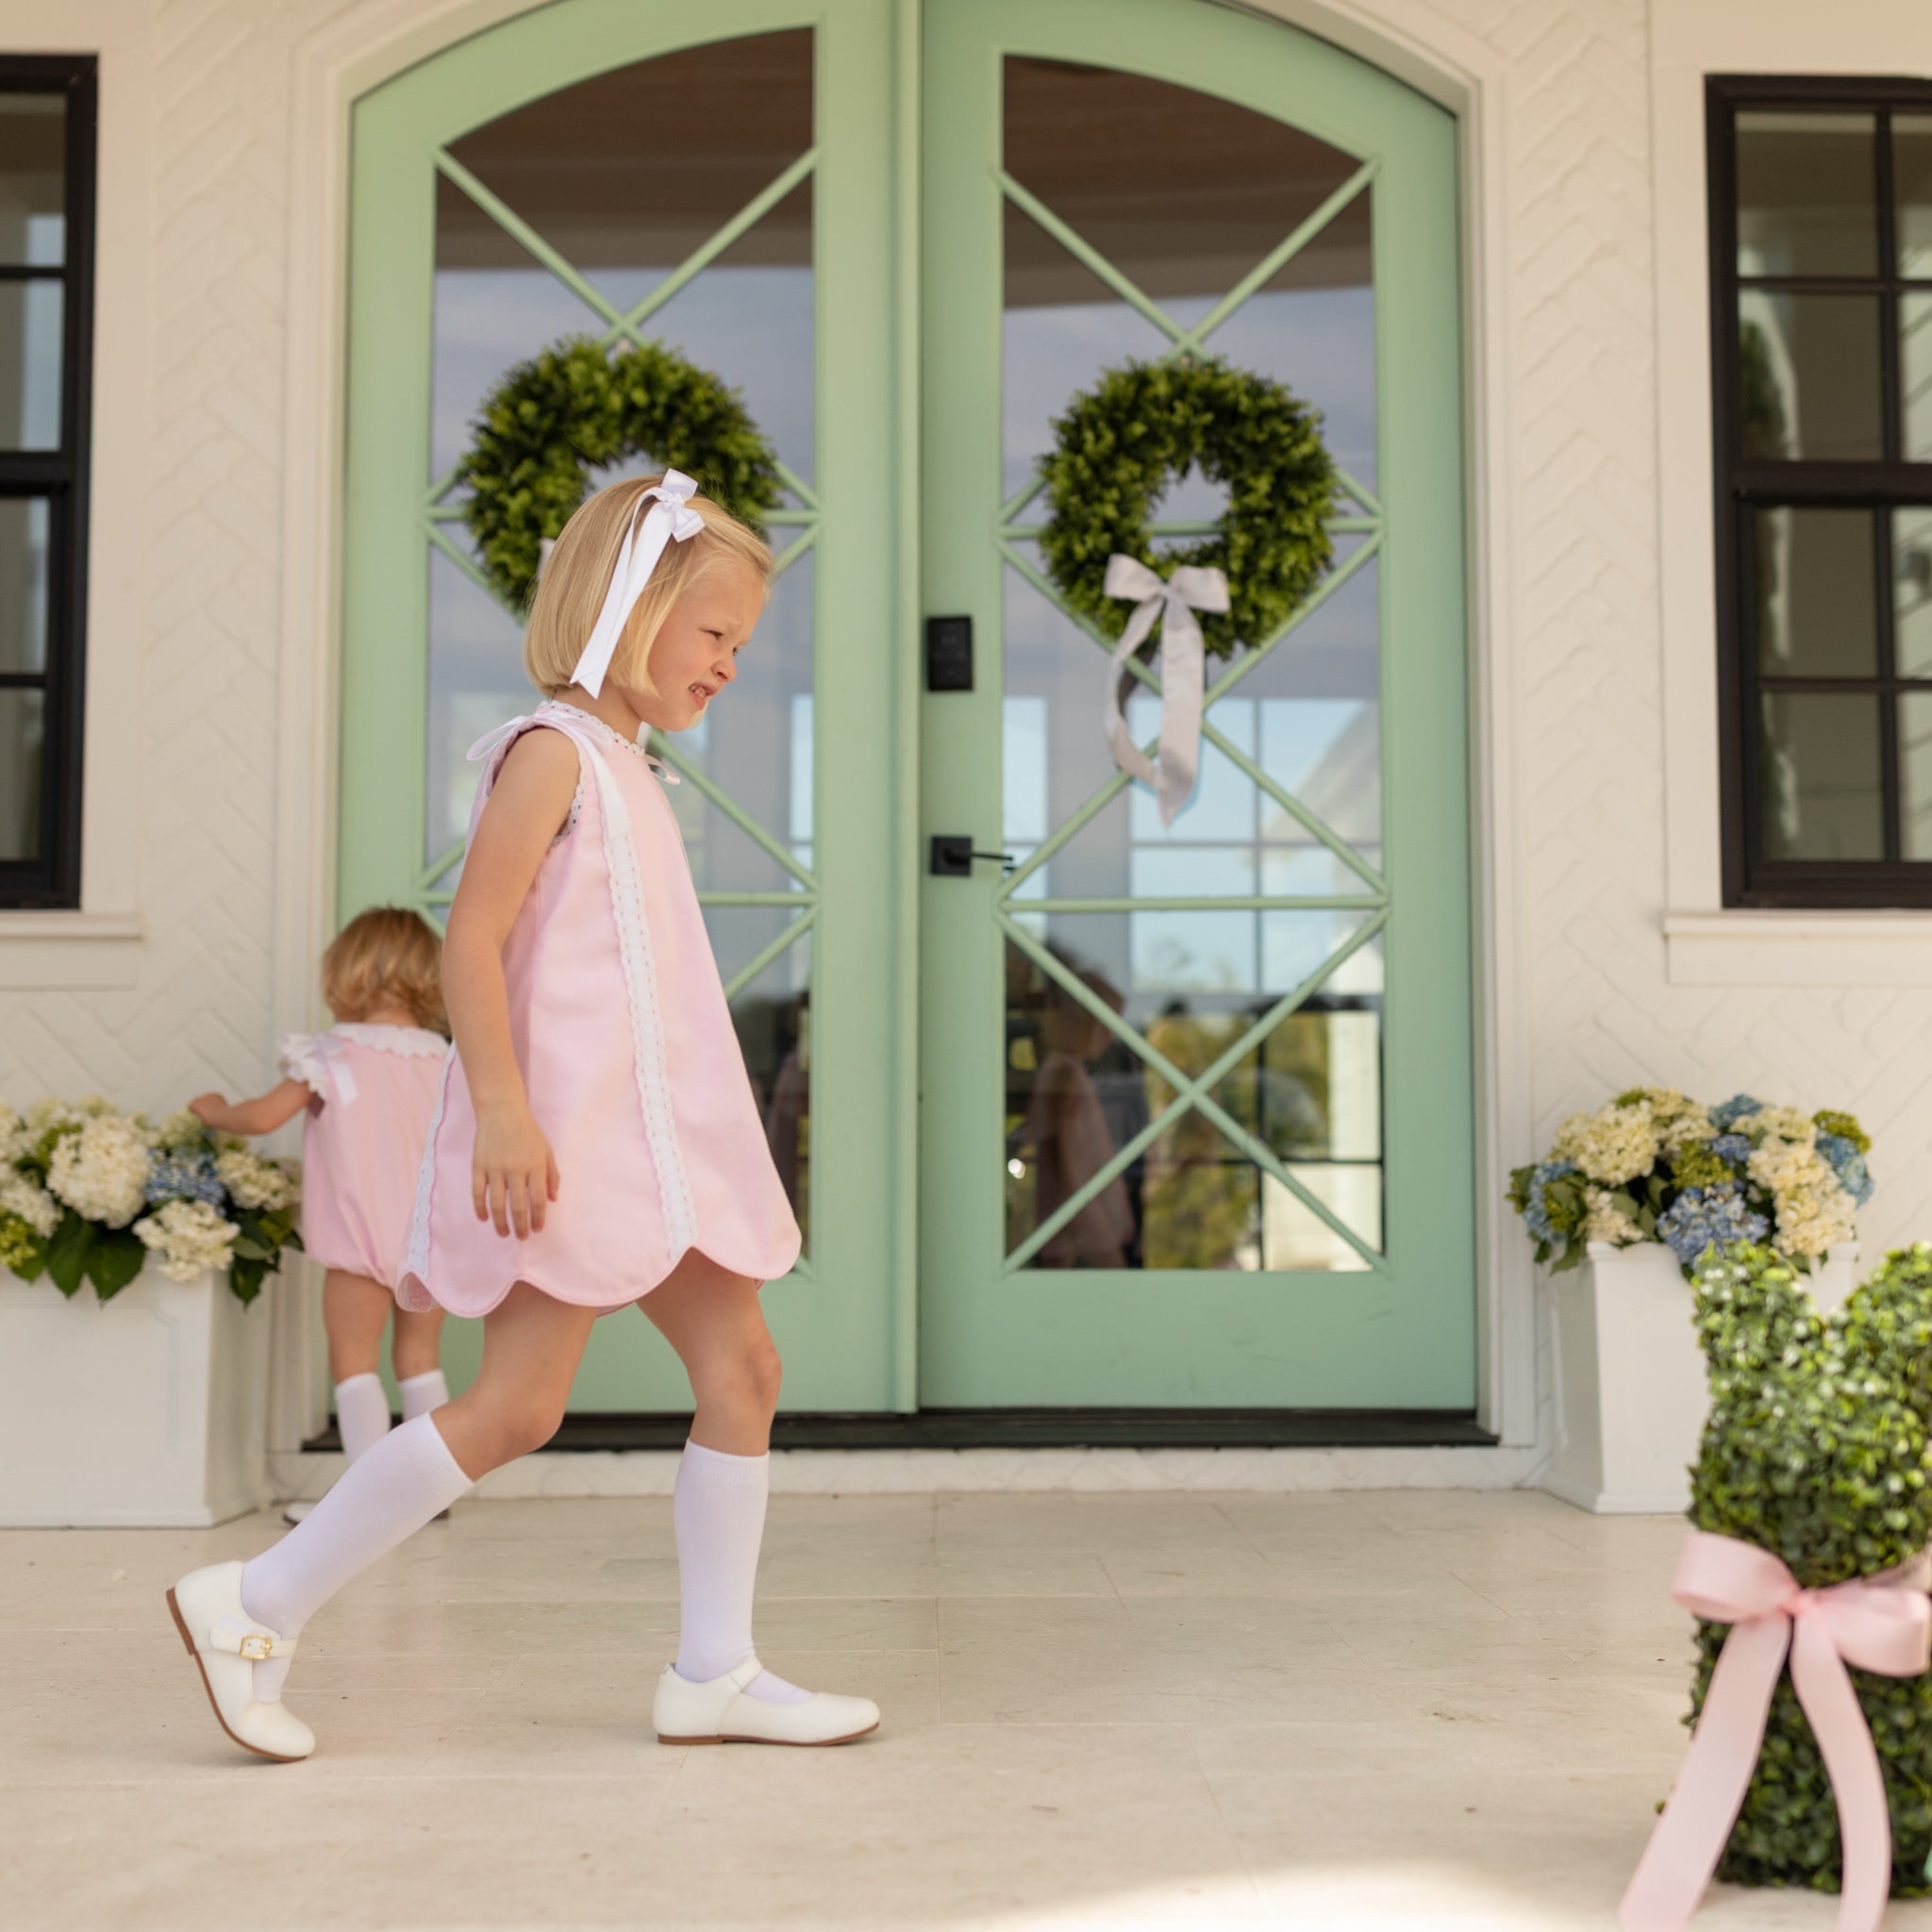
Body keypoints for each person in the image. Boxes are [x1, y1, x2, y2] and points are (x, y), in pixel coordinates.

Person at [167, 472, 877, 1761]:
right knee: (517, 1408)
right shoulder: (552, 753)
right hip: (574, 1145)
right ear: (629, 605)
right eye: (715, 634)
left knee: (746, 1370)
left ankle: (715, 1669)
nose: (729, 664)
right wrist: (499, 1108)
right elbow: (475, 939)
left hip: (662, 1144)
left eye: (740, 645)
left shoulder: (630, 770)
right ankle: (254, 1603)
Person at [187, 908, 452, 1524]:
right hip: (426, 1247)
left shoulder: (329, 1056)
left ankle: (364, 1505)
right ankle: (429, 1496)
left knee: (354, 1363)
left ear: (348, 974)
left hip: (358, 1247)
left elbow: (259, 1118)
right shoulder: (443, 1059)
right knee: (420, 1363)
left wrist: (216, 1110)